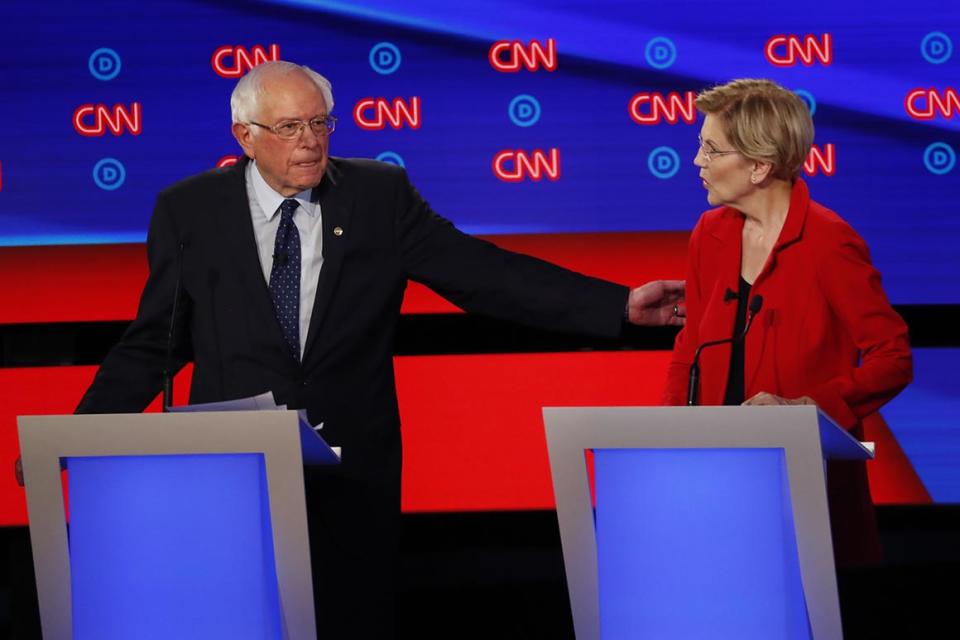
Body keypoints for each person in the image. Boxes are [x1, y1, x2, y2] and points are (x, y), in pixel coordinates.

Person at [70, 61, 684, 637]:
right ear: (245, 135)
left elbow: (483, 274)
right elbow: (158, 338)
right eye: (289, 127)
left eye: (320, 123)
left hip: (351, 469)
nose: (310, 141)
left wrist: (618, 306)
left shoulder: (377, 196)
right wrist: (81, 436)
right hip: (234, 470)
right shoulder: (189, 210)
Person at [662, 78, 912, 567]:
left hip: (803, 477)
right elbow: (689, 348)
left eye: (711, 150)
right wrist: (667, 436)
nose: (698, 162)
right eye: (699, 146)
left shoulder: (829, 243)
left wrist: (808, 409)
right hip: (718, 474)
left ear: (759, 166)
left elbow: (894, 357)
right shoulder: (709, 234)